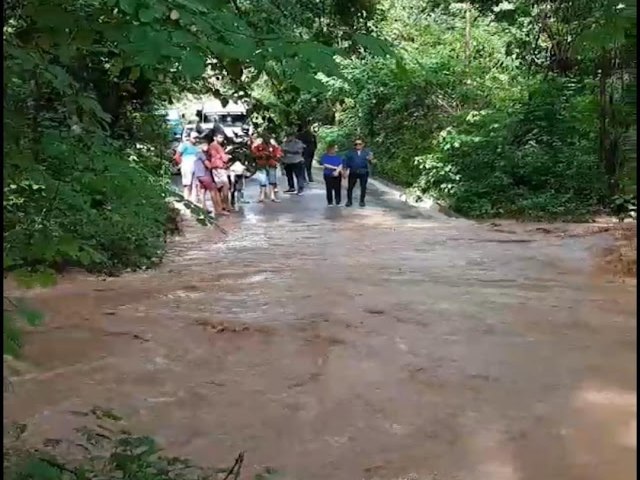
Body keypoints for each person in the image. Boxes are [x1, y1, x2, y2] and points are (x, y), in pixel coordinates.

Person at [194, 141, 227, 216]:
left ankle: (203, 207)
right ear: (200, 146)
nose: (206, 146)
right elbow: (208, 165)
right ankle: (217, 209)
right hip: (204, 174)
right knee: (213, 190)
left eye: (206, 144)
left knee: (203, 191)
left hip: (198, 175)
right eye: (204, 145)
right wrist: (216, 165)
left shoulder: (196, 154)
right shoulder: (202, 154)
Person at [343, 137, 374, 207]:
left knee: (363, 187)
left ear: (363, 144)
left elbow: (371, 162)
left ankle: (362, 201)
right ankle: (349, 201)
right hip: (353, 171)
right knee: (350, 187)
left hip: (363, 171)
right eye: (356, 144)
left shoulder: (367, 152)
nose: (358, 145)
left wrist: (371, 159)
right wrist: (344, 171)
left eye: (359, 144)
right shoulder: (350, 152)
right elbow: (345, 162)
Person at [251, 135, 281, 203]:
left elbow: (277, 152)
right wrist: (263, 153)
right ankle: (262, 196)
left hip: (271, 164)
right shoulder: (258, 145)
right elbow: (254, 153)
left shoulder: (272, 145)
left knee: (272, 180)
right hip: (262, 164)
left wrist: (276, 156)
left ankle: (272, 196)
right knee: (263, 180)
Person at [208, 133, 232, 212]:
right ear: (215, 138)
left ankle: (221, 205)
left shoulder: (211, 146)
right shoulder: (217, 146)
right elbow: (224, 158)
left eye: (222, 137)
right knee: (226, 185)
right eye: (220, 137)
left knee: (219, 187)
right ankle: (226, 205)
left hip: (215, 168)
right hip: (219, 167)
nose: (222, 139)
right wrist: (227, 157)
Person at [174, 131, 200, 202]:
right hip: (187, 166)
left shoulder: (197, 147)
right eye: (194, 138)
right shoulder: (184, 145)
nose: (196, 140)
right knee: (187, 184)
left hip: (195, 167)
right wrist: (182, 164)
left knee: (195, 185)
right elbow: (177, 156)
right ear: (189, 137)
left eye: (197, 138)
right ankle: (186, 200)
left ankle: (194, 201)